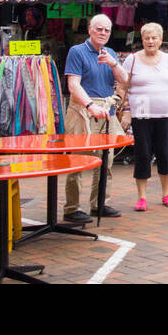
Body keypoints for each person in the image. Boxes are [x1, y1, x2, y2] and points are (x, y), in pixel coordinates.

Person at [63, 14, 128, 222]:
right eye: (99, 29)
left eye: (107, 30)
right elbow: (73, 85)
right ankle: (72, 208)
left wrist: (114, 64)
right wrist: (90, 105)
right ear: (90, 29)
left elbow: (125, 80)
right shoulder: (77, 51)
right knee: (78, 160)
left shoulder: (109, 53)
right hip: (83, 110)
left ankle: (100, 203)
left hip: (106, 110)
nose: (103, 33)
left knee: (106, 161)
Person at [121, 23, 168, 212]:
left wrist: (161, 97)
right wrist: (127, 110)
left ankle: (166, 194)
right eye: (147, 38)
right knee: (143, 153)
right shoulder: (132, 60)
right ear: (142, 40)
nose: (150, 41)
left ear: (161, 40)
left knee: (164, 153)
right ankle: (142, 197)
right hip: (141, 114)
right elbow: (123, 86)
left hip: (163, 113)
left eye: (154, 38)